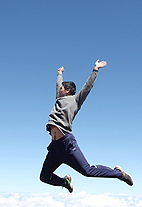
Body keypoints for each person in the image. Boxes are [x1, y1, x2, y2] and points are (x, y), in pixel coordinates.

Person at [40, 59, 134, 193]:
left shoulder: (75, 101)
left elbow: (87, 87)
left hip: (67, 145)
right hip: (55, 148)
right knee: (44, 177)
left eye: (61, 88)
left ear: (67, 91)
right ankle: (65, 182)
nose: (59, 89)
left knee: (88, 171)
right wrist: (59, 73)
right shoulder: (59, 100)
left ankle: (119, 174)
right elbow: (57, 85)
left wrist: (95, 70)